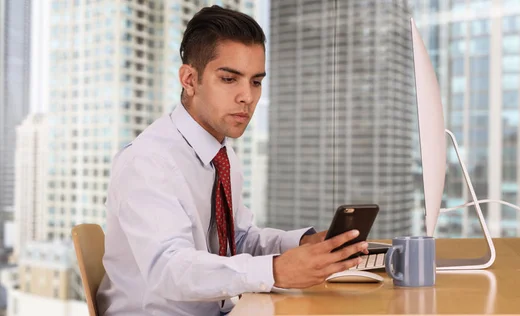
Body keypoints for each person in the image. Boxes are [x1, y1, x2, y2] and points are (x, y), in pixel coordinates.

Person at [96, 5, 367, 316]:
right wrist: (275, 271)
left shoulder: (222, 156)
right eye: (229, 79)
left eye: (255, 81)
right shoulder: (148, 161)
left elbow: (236, 240)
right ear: (189, 79)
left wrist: (302, 244)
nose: (247, 97)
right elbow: (168, 268)